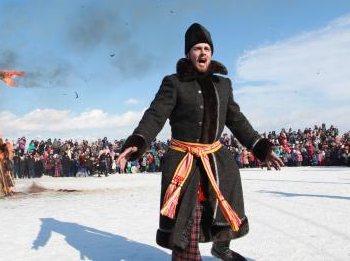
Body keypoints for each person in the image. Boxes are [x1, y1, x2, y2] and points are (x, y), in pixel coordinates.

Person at [118, 23, 283, 261]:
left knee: (223, 202)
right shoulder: (173, 83)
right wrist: (137, 141)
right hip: (184, 162)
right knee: (188, 217)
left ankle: (221, 247)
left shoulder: (223, 85)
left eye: (207, 48)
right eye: (197, 48)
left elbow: (237, 121)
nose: (203, 52)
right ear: (188, 53)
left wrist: (262, 148)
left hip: (216, 158)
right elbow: (155, 115)